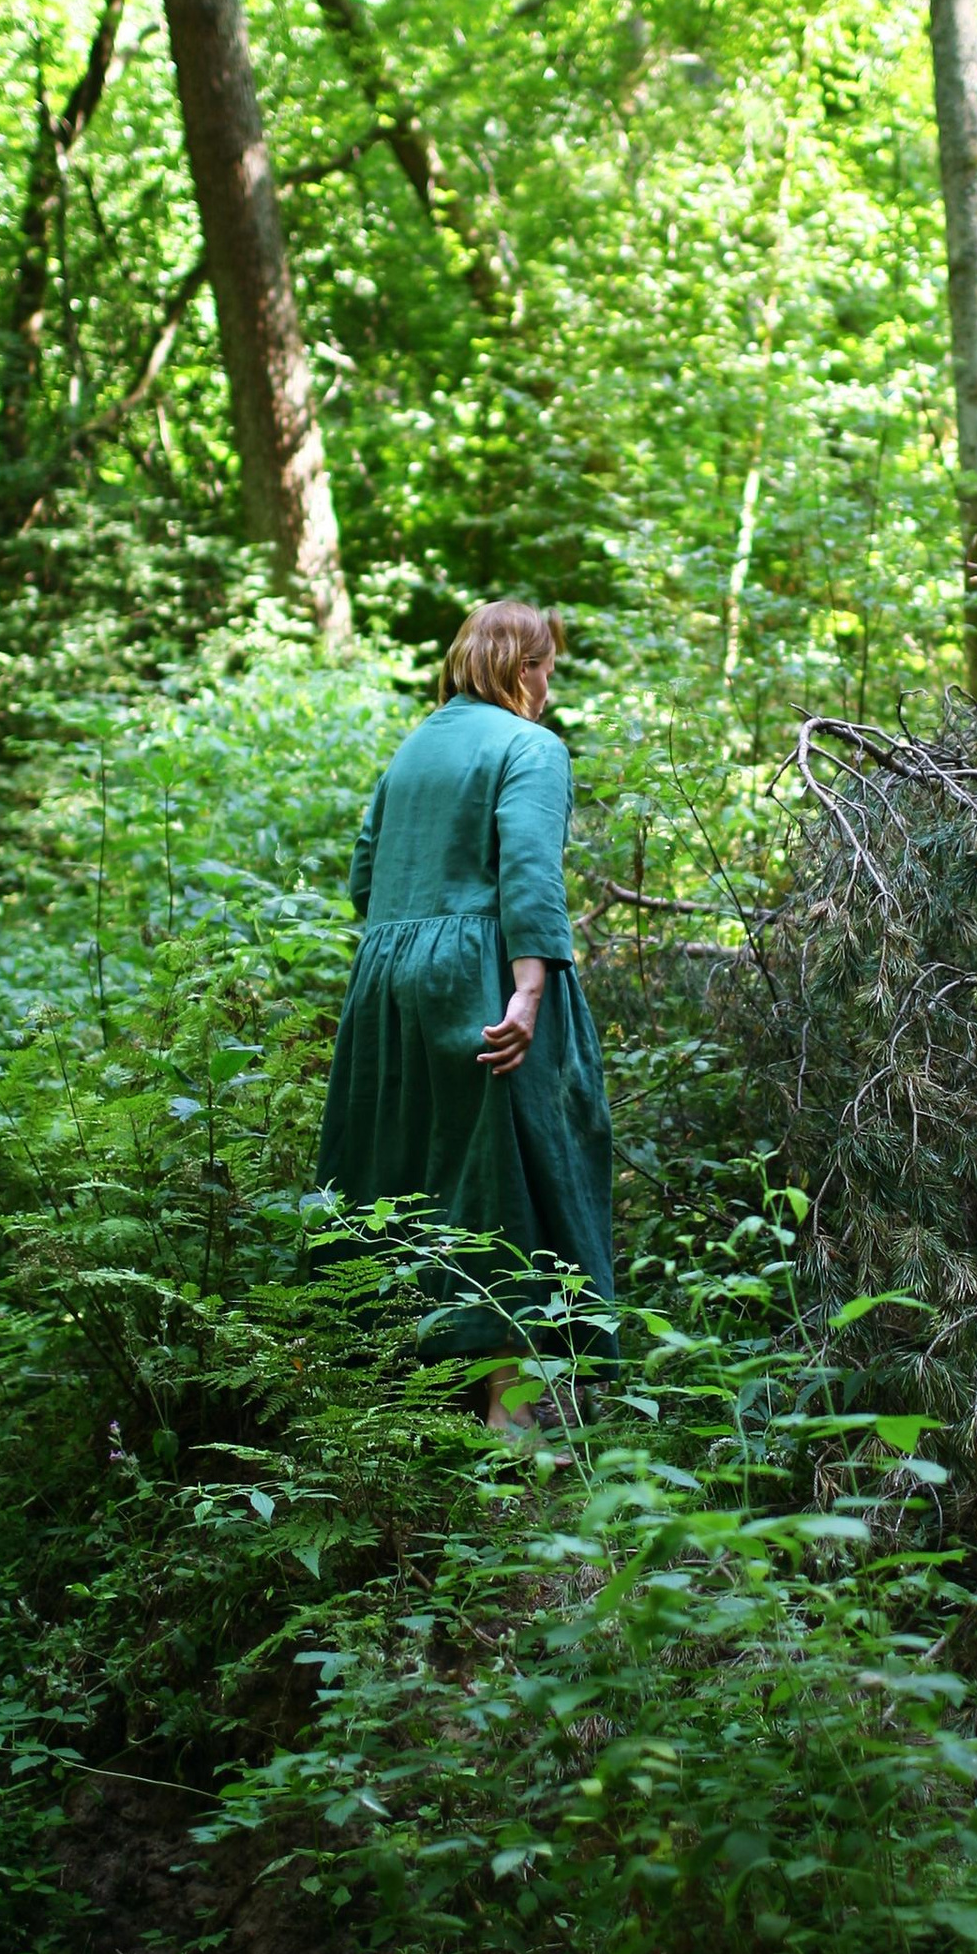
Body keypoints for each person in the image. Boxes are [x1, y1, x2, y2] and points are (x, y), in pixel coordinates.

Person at [316, 601, 613, 1424]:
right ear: (521, 668)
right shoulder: (531, 747)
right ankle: (515, 1425)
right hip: (484, 972)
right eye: (547, 667)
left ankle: (394, 1417)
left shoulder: (412, 751)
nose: (551, 685)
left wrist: (408, 951)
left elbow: (365, 879)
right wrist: (527, 987)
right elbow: (527, 871)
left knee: (404, 1177)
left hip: (386, 986)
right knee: (515, 1176)